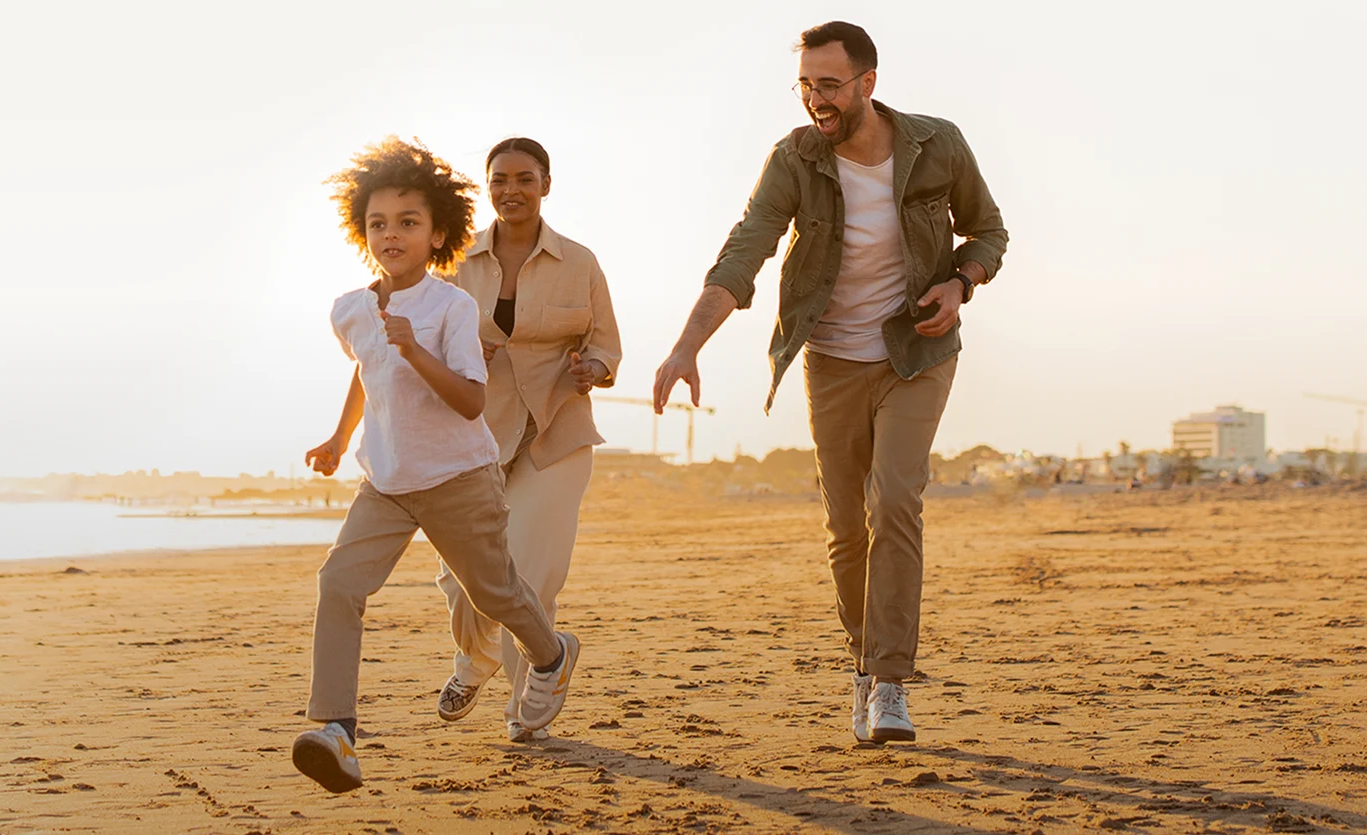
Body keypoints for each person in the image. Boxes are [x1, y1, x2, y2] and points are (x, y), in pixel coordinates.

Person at [653, 21, 1008, 744]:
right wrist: (687, 345)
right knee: (848, 528)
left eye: (829, 85)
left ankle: (890, 682)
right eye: (806, 85)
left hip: (916, 352)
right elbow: (745, 250)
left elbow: (988, 232)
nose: (816, 98)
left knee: (895, 501)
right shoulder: (795, 158)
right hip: (832, 359)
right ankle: (863, 664)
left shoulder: (937, 144)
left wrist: (960, 283)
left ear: (867, 83)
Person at [295, 136, 581, 794]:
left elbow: (471, 400)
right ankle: (337, 730)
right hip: (387, 483)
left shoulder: (452, 307)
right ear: (361, 232)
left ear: (438, 234)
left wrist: (415, 350)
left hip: (458, 479)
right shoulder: (350, 310)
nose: (391, 235)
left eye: (407, 222)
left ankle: (550, 653)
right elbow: (366, 373)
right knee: (339, 583)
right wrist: (339, 438)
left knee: (493, 593)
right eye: (377, 224)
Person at [435, 137, 621, 743]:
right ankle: (478, 655)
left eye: (523, 178)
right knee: (461, 575)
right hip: (474, 435)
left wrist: (594, 369)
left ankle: (526, 703)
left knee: (531, 572)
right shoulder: (454, 260)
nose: (510, 190)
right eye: (499, 180)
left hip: (555, 429)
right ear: (486, 186)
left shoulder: (580, 262)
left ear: (546, 184)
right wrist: (462, 352)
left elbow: (605, 344)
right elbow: (422, 341)